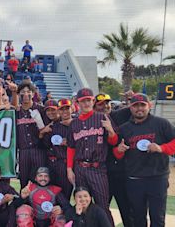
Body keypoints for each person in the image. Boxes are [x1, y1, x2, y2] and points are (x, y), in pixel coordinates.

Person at [114, 93, 175, 227]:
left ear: (149, 106)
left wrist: (161, 148)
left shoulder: (161, 123)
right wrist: (119, 150)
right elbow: (117, 155)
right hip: (134, 179)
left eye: (143, 105)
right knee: (137, 218)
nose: (139, 108)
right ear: (130, 108)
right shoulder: (124, 128)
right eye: (136, 106)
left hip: (157, 178)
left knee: (158, 218)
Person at [66, 88, 117, 226]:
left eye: (88, 100)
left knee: (102, 205)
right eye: (83, 101)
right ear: (78, 103)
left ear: (93, 101)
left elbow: (113, 142)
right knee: (82, 206)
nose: (86, 103)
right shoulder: (74, 123)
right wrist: (69, 169)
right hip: (80, 168)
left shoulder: (102, 118)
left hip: (98, 168)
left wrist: (111, 131)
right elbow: (71, 147)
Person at [94, 93, 133, 227]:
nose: (105, 106)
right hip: (101, 172)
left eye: (107, 103)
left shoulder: (118, 115)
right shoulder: (91, 120)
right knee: (102, 208)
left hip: (120, 170)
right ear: (94, 107)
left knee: (126, 208)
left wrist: (131, 98)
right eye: (101, 104)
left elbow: (137, 106)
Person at [16, 81, 50, 188]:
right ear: (19, 94)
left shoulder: (41, 109)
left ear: (33, 93)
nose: (26, 94)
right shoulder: (16, 112)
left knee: (41, 179)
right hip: (23, 151)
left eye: (28, 91)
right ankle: (24, 204)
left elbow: (49, 127)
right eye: (23, 92)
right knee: (24, 181)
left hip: (39, 150)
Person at [39, 99, 73, 200]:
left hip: (67, 163)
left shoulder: (76, 123)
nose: (51, 113)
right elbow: (45, 145)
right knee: (52, 194)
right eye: (62, 109)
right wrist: (42, 133)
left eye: (67, 109)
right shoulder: (52, 126)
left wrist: (70, 142)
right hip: (53, 163)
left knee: (66, 194)